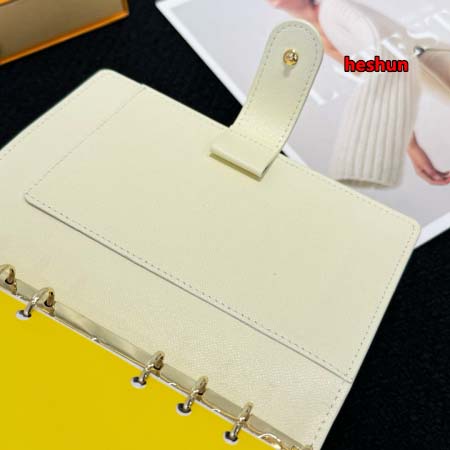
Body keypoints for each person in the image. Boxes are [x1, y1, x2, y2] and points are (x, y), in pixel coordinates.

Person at [269, 0, 450, 186]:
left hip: (432, 62)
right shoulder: (315, 35)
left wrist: (411, 145)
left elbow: (389, 60)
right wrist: (411, 146)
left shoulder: (335, 7)